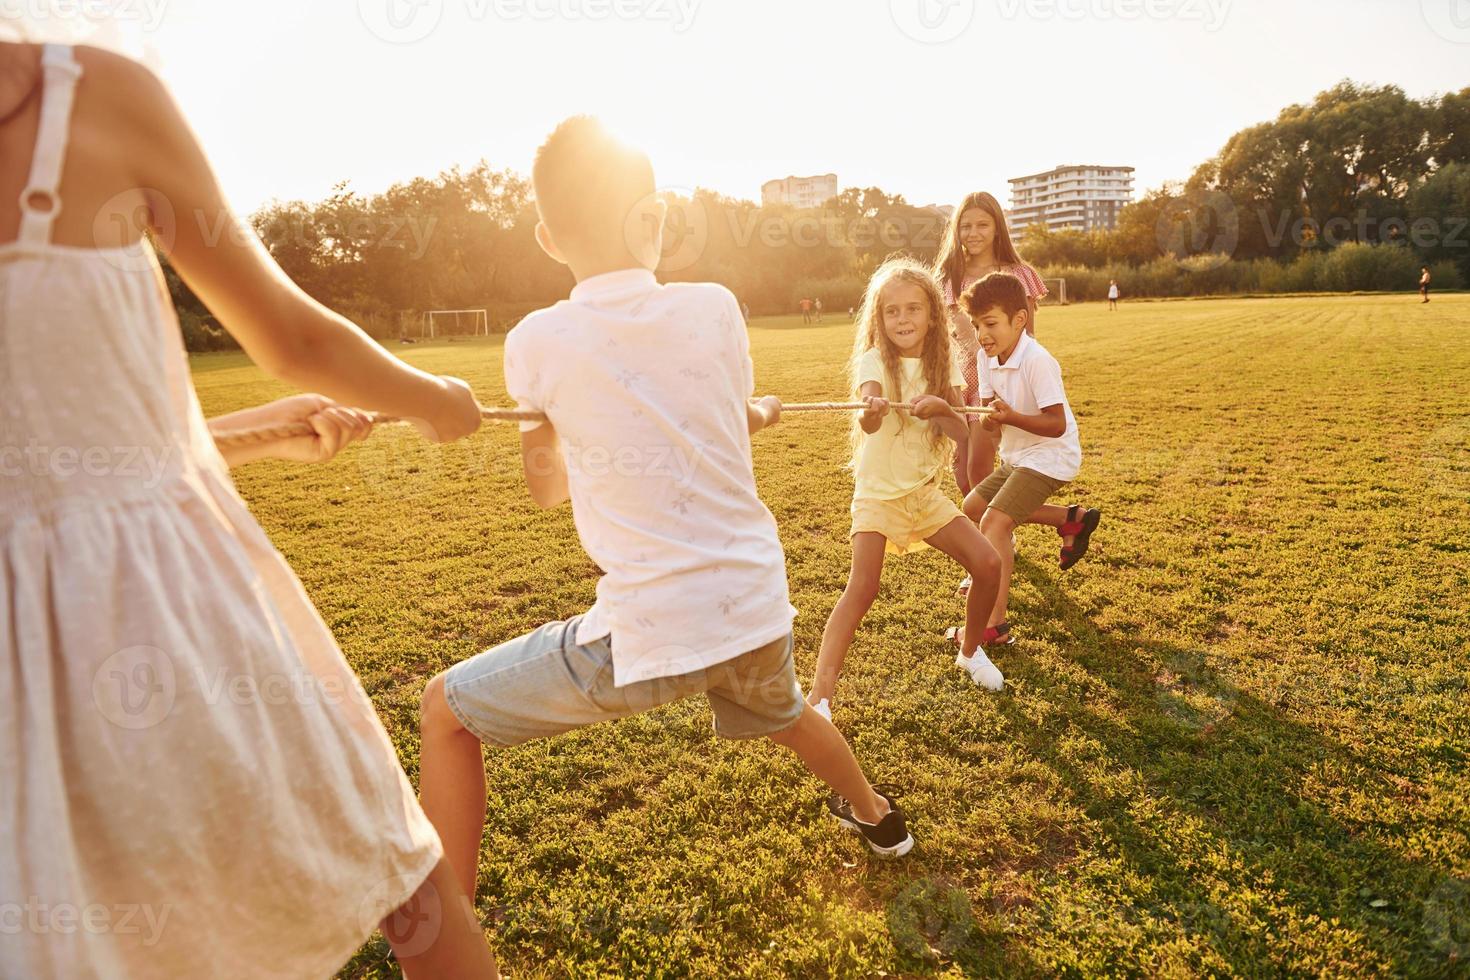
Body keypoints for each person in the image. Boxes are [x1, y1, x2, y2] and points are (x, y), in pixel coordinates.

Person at [0, 42, 497, 977]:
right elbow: (293, 333)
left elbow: (46, 459)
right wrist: (434, 401)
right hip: (173, 616)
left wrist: (246, 434)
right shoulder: (100, 95)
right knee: (413, 898)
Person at [417, 119, 916, 919]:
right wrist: (751, 413)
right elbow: (702, 419)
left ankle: (447, 942)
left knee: (444, 711)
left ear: (548, 238)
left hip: (649, 635)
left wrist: (546, 418)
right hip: (754, 606)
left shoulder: (536, 340)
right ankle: (879, 819)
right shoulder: (716, 308)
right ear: (652, 218)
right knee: (785, 713)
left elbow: (547, 489)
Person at [804, 256, 1006, 721]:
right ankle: (820, 698)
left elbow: (962, 435)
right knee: (863, 588)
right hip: (877, 496)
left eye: (913, 309)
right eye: (892, 311)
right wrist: (872, 411)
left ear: (932, 314)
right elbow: (867, 419)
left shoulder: (944, 363)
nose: (903, 319)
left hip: (923, 494)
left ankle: (971, 651)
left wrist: (943, 410)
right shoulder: (875, 359)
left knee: (988, 563)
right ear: (879, 318)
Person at [948, 273, 1100, 651]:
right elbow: (989, 416)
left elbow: (1056, 423)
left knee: (995, 523)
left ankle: (993, 625)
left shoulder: (1038, 360)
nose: (983, 334)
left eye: (992, 323)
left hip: (1050, 456)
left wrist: (1010, 416)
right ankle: (1070, 520)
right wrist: (988, 418)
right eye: (978, 325)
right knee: (973, 506)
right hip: (1018, 456)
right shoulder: (986, 358)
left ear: (1019, 320)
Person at [933, 191, 1049, 497]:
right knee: (962, 476)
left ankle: (995, 535)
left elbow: (1028, 337)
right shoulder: (949, 278)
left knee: (979, 470)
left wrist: (1016, 386)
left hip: (995, 381)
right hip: (959, 383)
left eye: (982, 225)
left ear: (998, 227)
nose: (973, 233)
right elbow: (942, 338)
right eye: (966, 226)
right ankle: (995, 530)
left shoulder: (1015, 274)